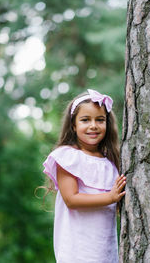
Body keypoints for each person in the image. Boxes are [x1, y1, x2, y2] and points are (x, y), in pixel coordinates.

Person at [42, 89, 126, 263]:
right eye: (85, 120)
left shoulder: (111, 162)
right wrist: (110, 197)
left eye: (100, 120)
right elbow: (71, 199)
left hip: (104, 247)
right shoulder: (68, 157)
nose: (93, 125)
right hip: (77, 248)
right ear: (74, 125)